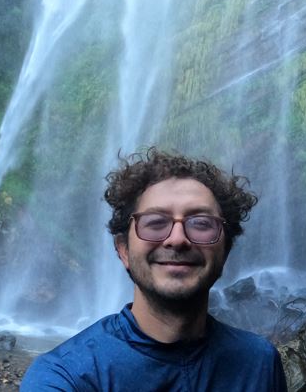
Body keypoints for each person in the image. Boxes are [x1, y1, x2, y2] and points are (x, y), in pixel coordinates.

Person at [20, 148, 288, 391]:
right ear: (123, 249)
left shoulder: (259, 362)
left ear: (226, 249)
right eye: (155, 222)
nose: (177, 239)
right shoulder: (64, 377)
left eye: (201, 223)